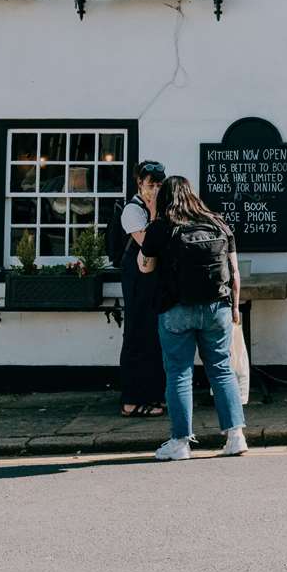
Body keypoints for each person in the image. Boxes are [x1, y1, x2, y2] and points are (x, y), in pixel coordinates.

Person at [137, 176, 246, 460]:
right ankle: (235, 436)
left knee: (179, 373)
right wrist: (234, 308)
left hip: (176, 309)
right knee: (222, 369)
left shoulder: (161, 227)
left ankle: (180, 442)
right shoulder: (218, 223)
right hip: (218, 308)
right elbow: (234, 273)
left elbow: (145, 267)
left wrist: (151, 221)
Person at [117, 159, 166, 417]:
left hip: (153, 277)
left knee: (154, 336)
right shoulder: (132, 211)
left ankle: (154, 394)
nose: (155, 189)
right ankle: (132, 400)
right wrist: (156, 213)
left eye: (159, 184)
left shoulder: (154, 207)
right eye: (151, 184)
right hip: (136, 278)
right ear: (139, 182)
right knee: (137, 334)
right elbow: (148, 243)